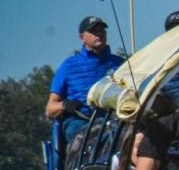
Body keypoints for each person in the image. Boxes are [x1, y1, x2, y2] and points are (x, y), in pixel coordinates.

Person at [46, 15, 124, 145]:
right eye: (94, 32)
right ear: (82, 38)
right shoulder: (68, 66)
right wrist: (65, 105)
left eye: (102, 31)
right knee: (82, 136)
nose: (99, 35)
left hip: (114, 120)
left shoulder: (121, 65)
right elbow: (50, 109)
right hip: (80, 121)